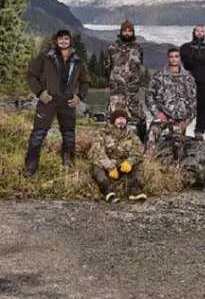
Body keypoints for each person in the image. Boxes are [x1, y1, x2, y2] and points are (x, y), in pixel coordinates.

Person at [24, 30, 89, 176]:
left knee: (69, 135)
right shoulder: (45, 57)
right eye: (61, 39)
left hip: (68, 103)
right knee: (38, 134)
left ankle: (68, 167)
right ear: (56, 41)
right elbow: (31, 75)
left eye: (66, 39)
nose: (63, 41)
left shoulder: (77, 61)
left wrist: (79, 96)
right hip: (48, 101)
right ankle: (30, 168)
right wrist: (40, 93)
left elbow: (85, 81)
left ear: (70, 41)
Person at [145, 48, 197, 154]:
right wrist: (157, 113)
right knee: (151, 135)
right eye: (171, 56)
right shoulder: (159, 76)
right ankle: (147, 161)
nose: (173, 59)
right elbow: (149, 95)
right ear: (168, 58)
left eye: (176, 56)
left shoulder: (188, 77)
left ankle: (176, 163)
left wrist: (187, 120)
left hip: (180, 120)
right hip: (163, 117)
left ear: (180, 58)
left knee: (177, 147)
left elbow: (194, 101)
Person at [103, 19, 147, 142]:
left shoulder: (138, 49)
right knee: (113, 118)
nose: (127, 33)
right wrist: (114, 80)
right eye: (125, 31)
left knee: (140, 118)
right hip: (116, 91)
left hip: (133, 91)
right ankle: (110, 144)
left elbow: (139, 66)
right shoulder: (112, 48)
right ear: (121, 32)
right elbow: (106, 68)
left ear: (133, 32)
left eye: (130, 31)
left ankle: (141, 144)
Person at [89, 109, 146, 203]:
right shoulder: (102, 133)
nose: (121, 121)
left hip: (122, 166)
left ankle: (135, 190)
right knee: (96, 166)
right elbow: (97, 152)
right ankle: (108, 192)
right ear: (113, 120)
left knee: (139, 163)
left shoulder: (132, 135)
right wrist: (110, 167)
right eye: (119, 118)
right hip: (107, 166)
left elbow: (138, 151)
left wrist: (129, 162)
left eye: (124, 119)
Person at [180, 24, 205, 140]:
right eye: (197, 31)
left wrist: (194, 57)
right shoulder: (185, 47)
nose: (199, 33)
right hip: (188, 82)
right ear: (193, 33)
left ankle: (199, 131)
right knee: (184, 108)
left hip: (204, 83)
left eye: (202, 31)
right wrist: (200, 59)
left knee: (203, 109)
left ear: (204, 34)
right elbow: (187, 61)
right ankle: (181, 130)